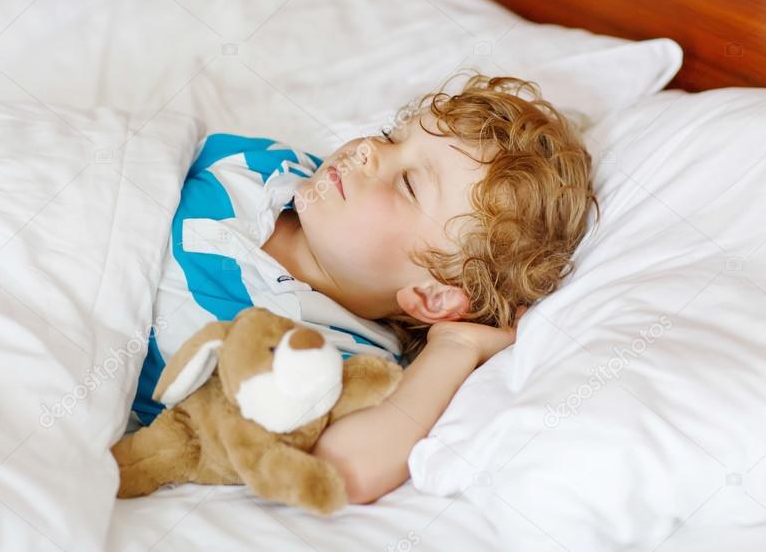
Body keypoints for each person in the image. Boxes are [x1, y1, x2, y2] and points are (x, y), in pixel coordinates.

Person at [127, 72, 599, 505]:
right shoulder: (265, 166)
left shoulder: (333, 352)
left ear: (433, 296)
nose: (371, 150)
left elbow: (343, 469)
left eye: (409, 184)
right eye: (395, 135)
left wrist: (454, 348)